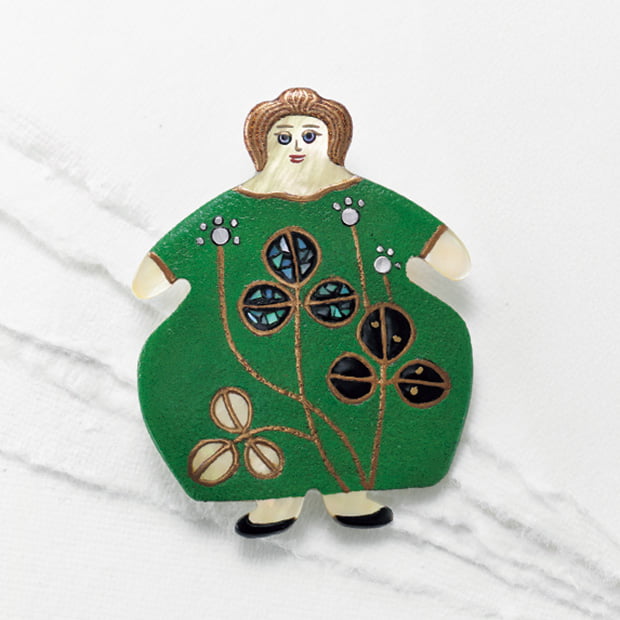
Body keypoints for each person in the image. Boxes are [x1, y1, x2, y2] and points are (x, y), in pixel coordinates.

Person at [133, 88, 472, 537]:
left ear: (333, 142)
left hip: (351, 334)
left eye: (310, 136)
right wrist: (162, 268)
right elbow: (169, 261)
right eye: (283, 136)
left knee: (353, 396)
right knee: (264, 402)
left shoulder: (360, 199)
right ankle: (276, 498)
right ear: (263, 145)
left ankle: (349, 493)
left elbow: (437, 244)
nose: (296, 147)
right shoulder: (238, 208)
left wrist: (439, 249)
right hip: (258, 338)